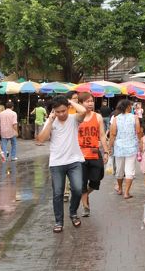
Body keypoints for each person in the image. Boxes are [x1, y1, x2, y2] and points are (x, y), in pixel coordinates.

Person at [36, 95, 86, 233]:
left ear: (68, 108)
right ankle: (59, 221)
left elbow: (83, 111)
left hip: (74, 160)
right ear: (53, 111)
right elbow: (40, 139)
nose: (61, 114)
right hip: (57, 163)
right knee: (57, 193)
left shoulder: (74, 119)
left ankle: (73, 212)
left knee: (77, 189)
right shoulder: (51, 121)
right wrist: (50, 121)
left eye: (63, 110)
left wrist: (69, 101)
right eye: (58, 111)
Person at [77, 92, 110, 217]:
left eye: (92, 101)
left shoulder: (98, 117)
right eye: (87, 101)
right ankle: (85, 206)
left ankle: (84, 194)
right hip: (80, 154)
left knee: (96, 179)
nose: (90, 103)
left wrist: (106, 151)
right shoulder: (75, 118)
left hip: (94, 152)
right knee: (82, 183)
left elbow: (102, 135)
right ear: (80, 103)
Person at [109, 99, 142, 199]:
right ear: (128, 107)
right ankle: (127, 192)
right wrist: (140, 142)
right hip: (131, 147)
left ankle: (120, 188)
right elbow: (138, 131)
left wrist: (110, 147)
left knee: (119, 170)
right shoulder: (135, 117)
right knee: (129, 170)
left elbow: (113, 133)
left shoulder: (116, 118)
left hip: (119, 148)